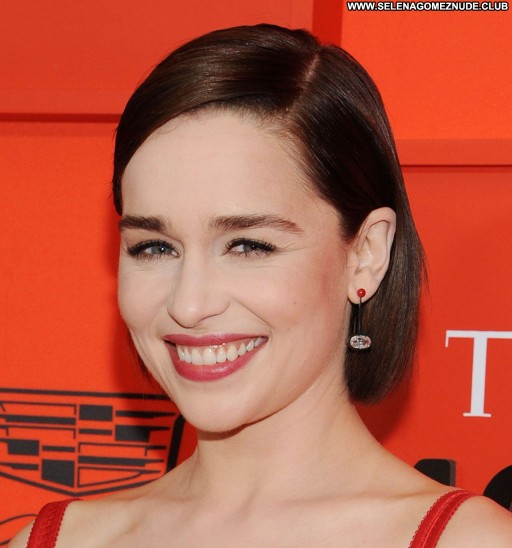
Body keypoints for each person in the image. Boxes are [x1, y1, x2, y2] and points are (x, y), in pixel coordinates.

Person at [10, 23, 512, 547]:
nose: (189, 304)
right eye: (154, 247)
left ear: (366, 254)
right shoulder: (55, 540)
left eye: (248, 246)